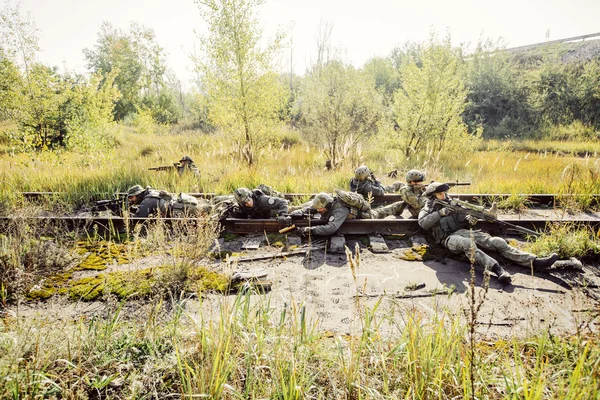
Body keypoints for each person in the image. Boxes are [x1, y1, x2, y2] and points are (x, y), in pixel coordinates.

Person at [418, 182, 559, 284]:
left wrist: (469, 220)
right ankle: (497, 269)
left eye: (444, 193)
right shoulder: (428, 209)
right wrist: (439, 213)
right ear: (433, 196)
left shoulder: (453, 204)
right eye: (440, 194)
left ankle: (535, 262)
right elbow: (423, 223)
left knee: (497, 242)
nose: (444, 195)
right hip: (447, 239)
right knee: (468, 244)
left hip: (463, 231)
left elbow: (463, 221)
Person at [293, 192, 406, 237]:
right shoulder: (327, 201)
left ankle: (399, 205)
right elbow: (313, 208)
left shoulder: (340, 210)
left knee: (381, 212)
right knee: (380, 210)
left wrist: (311, 230)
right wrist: (299, 212)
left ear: (327, 206)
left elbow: (331, 228)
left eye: (321, 209)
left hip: (364, 215)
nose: (319, 211)